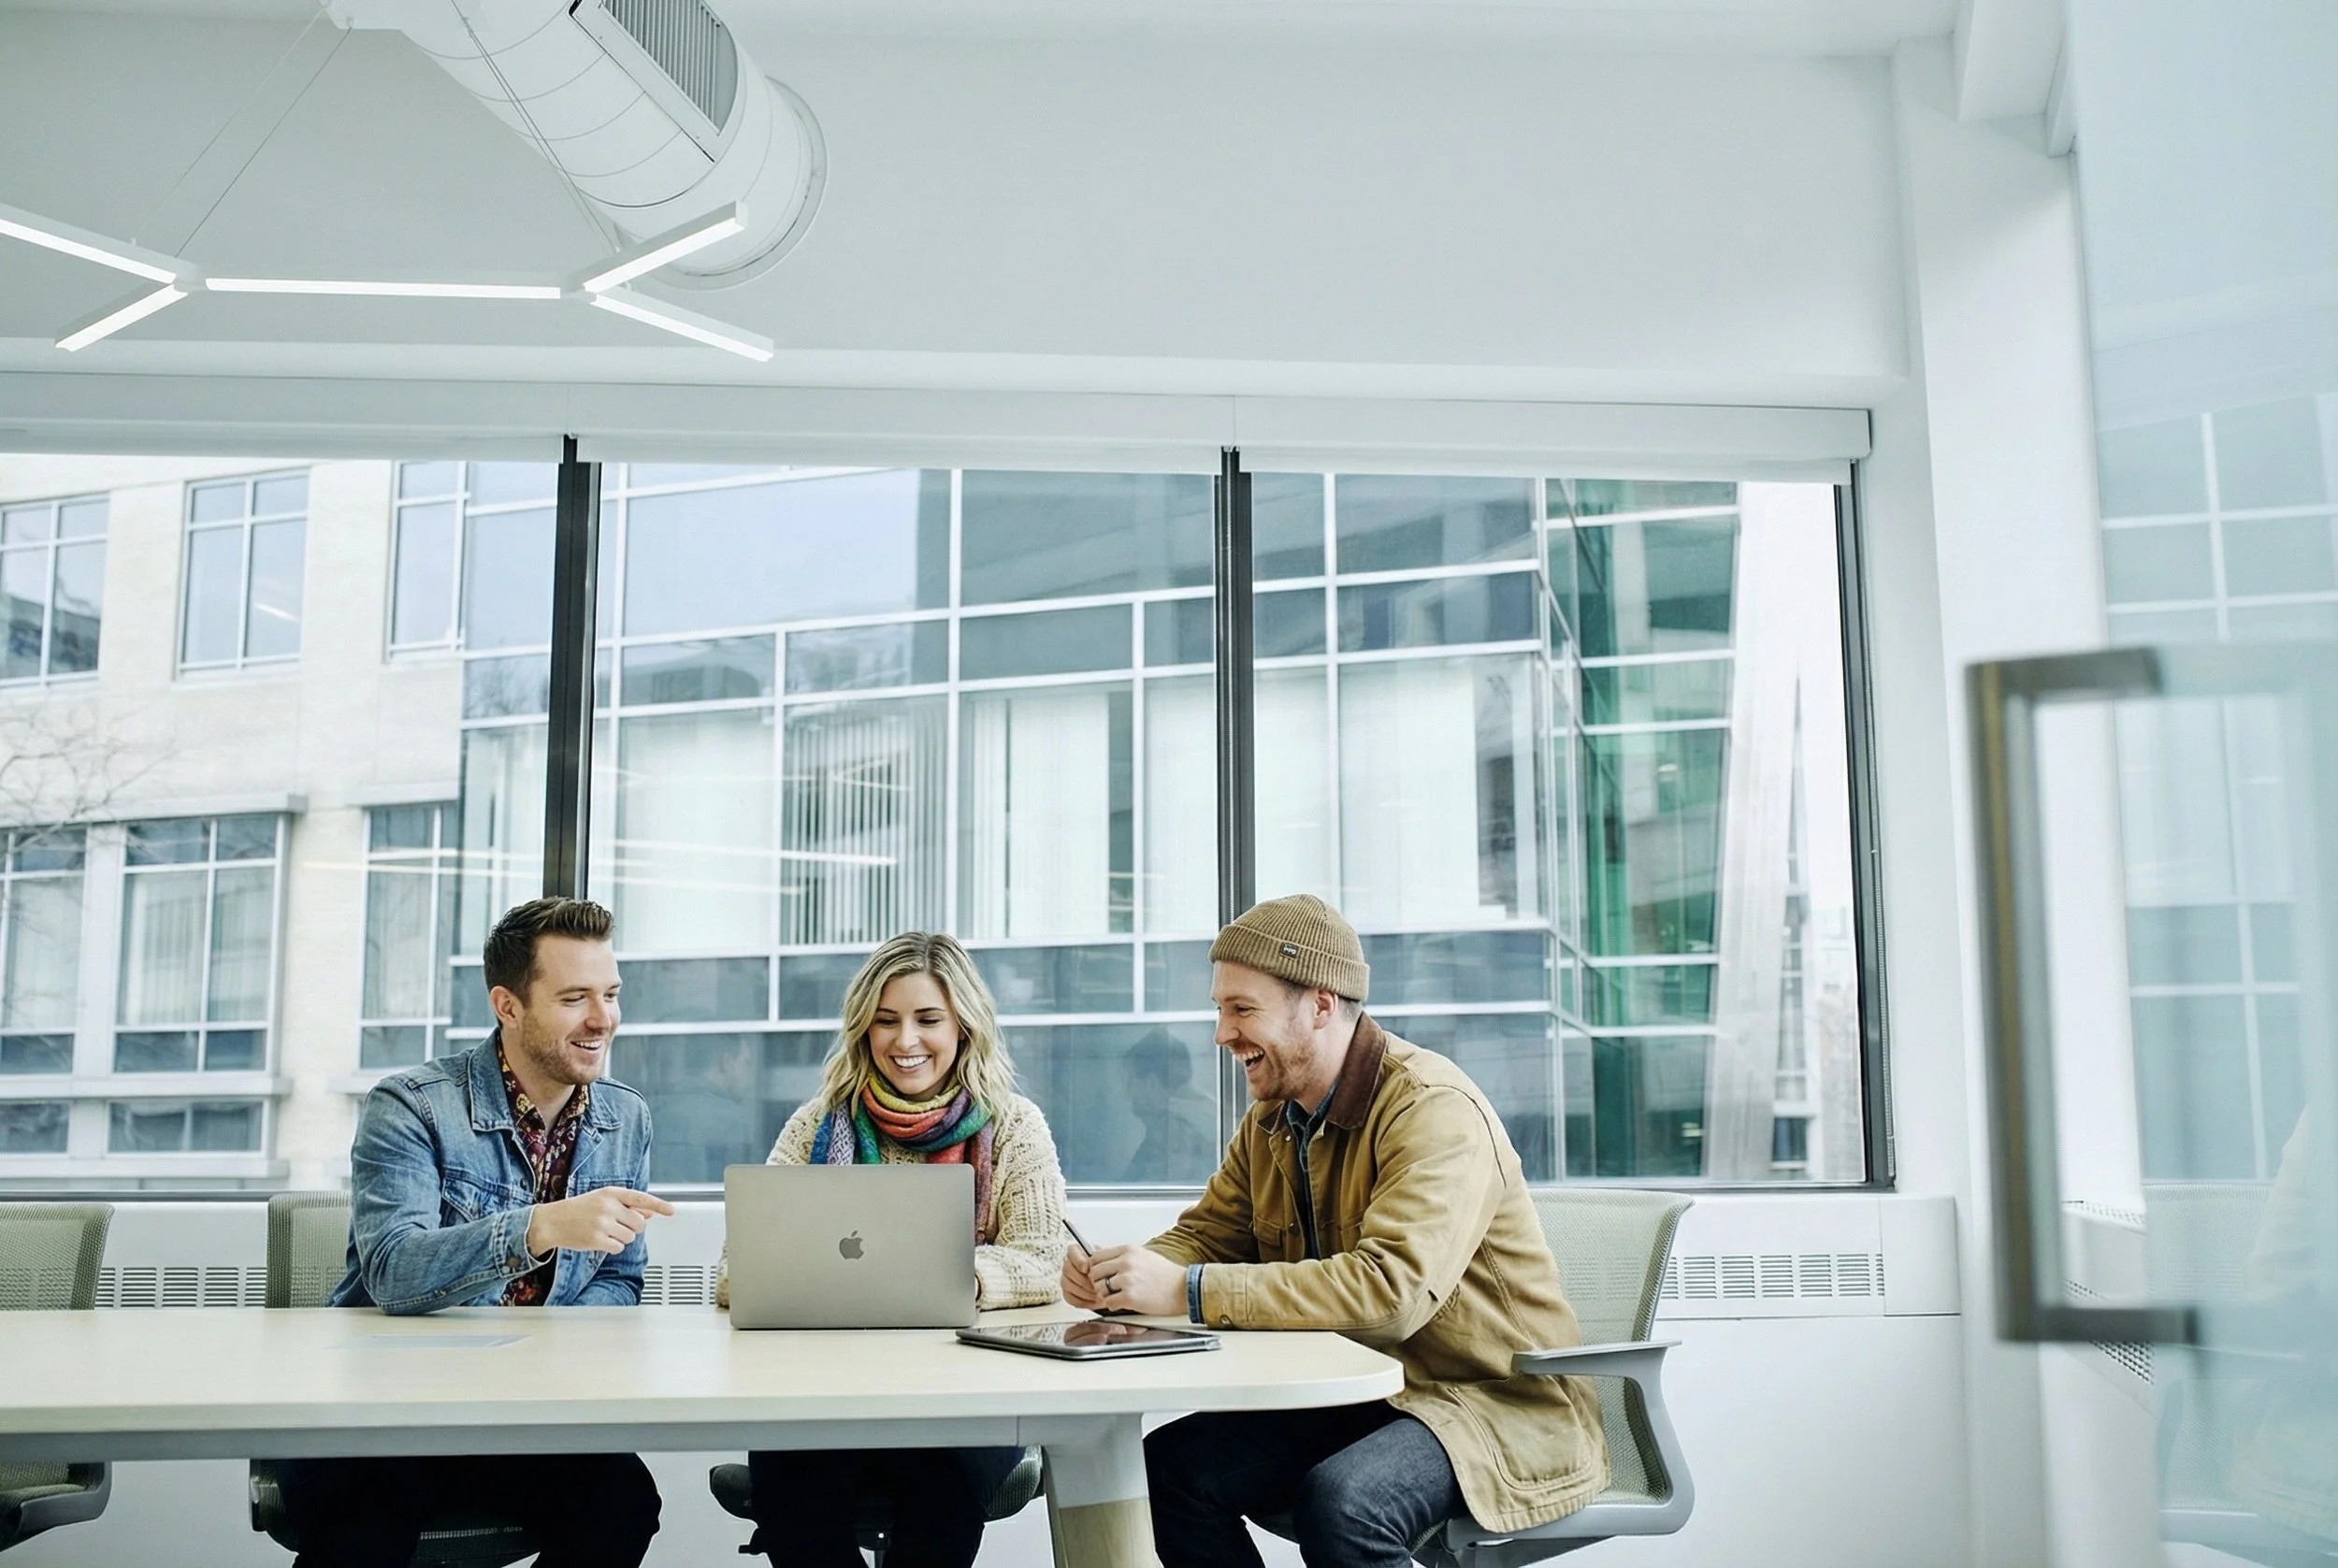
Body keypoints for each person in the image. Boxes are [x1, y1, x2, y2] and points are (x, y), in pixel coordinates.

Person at [1064, 894, 1609, 1568]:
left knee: (1345, 1502)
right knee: (1164, 1473)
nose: (1220, 1033)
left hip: (1486, 1402)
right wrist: (1123, 1273)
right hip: (1369, 1393)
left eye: (1241, 1009)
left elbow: (1390, 1292)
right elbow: (1207, 1237)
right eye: (1219, 1009)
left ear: (1320, 1005)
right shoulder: (1271, 1119)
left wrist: (1186, 1289)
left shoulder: (1432, 1109)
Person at [277, 897, 669, 1568]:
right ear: (508, 1005)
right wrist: (540, 1226)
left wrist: (542, 1354)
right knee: (362, 1528)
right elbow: (394, 1271)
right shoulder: (411, 1105)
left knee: (623, 1504)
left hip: (524, 1418)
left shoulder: (624, 1118)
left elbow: (620, 1277)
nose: (603, 1018)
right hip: (383, 1413)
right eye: (575, 997)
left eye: (610, 993)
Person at [720, 930, 1068, 1568]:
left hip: (964, 1400)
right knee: (790, 1483)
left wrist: (929, 1280)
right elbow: (734, 1271)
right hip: (824, 1395)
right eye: (886, 1021)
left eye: (927, 1019)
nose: (906, 1040)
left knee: (945, 1483)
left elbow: (1042, 1260)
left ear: (963, 1024)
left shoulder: (1014, 1125)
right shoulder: (817, 1123)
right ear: (864, 1029)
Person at [1119, 1027, 1219, 1184]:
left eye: (1130, 1081)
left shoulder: (1174, 1133)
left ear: (1151, 1084)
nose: (1127, 1094)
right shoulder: (1200, 1121)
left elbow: (1151, 1195)